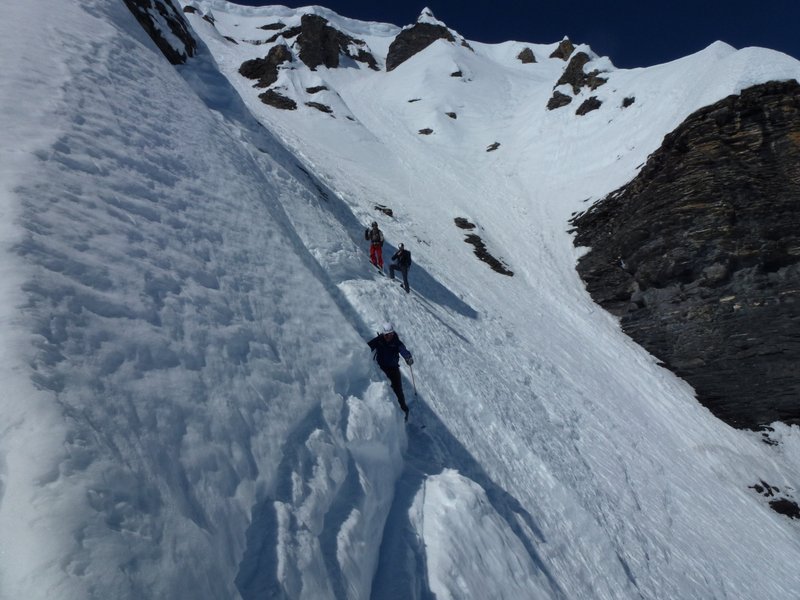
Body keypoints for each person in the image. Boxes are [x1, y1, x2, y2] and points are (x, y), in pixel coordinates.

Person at [367, 322, 414, 421]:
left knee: (398, 390)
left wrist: (408, 357)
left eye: (391, 334)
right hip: (381, 369)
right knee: (385, 389)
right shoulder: (379, 340)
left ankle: (404, 410)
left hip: (393, 369)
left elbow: (403, 350)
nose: (389, 336)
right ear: (384, 333)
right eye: (387, 334)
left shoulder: (396, 341)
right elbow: (368, 346)